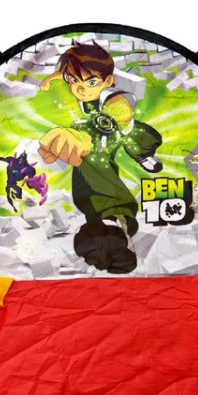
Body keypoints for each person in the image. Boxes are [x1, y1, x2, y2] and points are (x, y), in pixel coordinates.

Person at [39, 41, 163, 274]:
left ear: (107, 81)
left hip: (119, 130)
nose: (80, 89)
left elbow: (121, 112)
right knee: (89, 160)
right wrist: (52, 78)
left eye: (91, 82)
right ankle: (106, 220)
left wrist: (85, 136)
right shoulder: (81, 86)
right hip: (106, 133)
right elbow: (68, 73)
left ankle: (117, 216)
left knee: (117, 149)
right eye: (73, 81)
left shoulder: (113, 96)